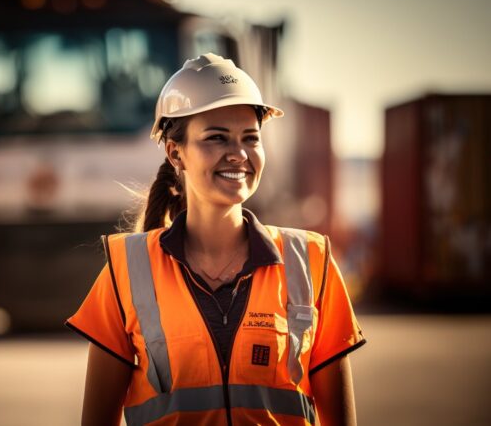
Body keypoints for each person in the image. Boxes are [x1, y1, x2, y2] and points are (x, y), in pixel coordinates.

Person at [65, 53, 365, 426]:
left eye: (250, 138)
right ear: (176, 153)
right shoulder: (126, 270)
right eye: (216, 138)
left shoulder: (311, 262)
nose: (238, 154)